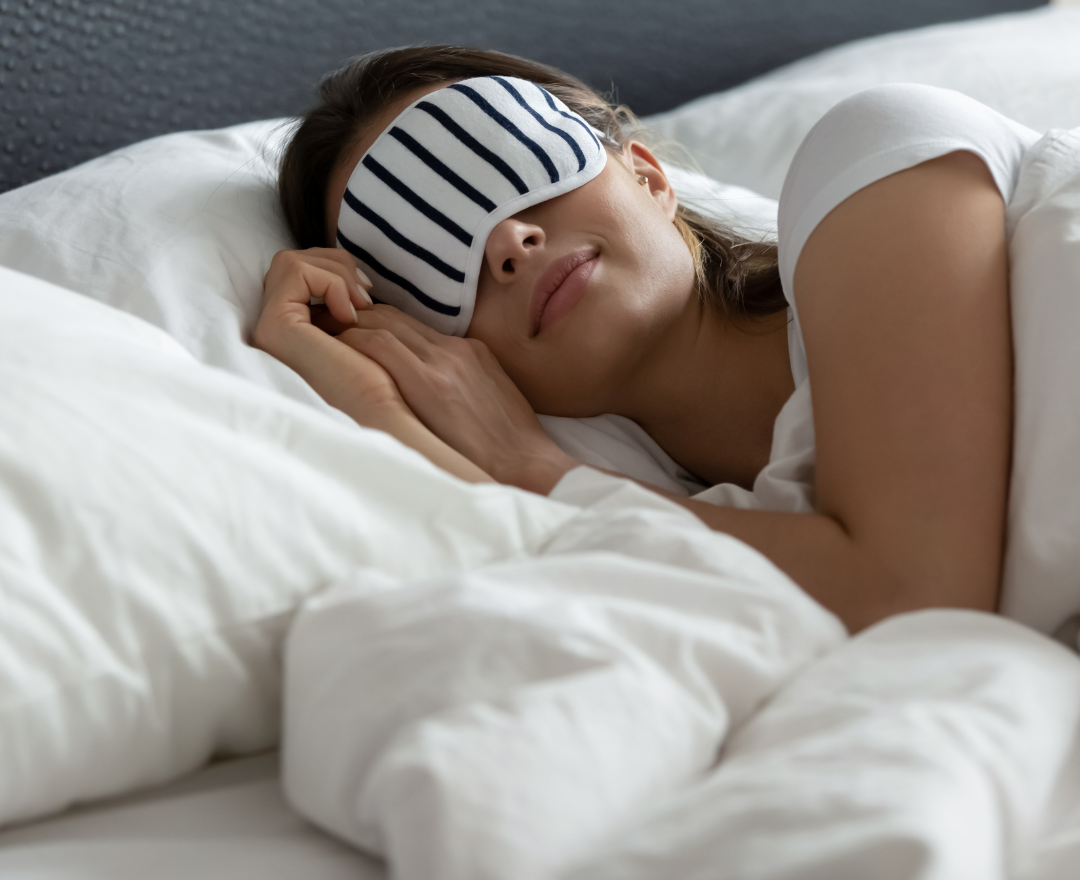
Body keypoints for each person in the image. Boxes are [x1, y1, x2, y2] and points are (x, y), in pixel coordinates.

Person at [255, 45, 1034, 633]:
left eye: (505, 161)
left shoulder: (877, 163)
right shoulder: (721, 532)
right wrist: (373, 400)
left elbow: (914, 594)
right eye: (426, 255)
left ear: (651, 178)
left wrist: (528, 464)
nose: (508, 243)